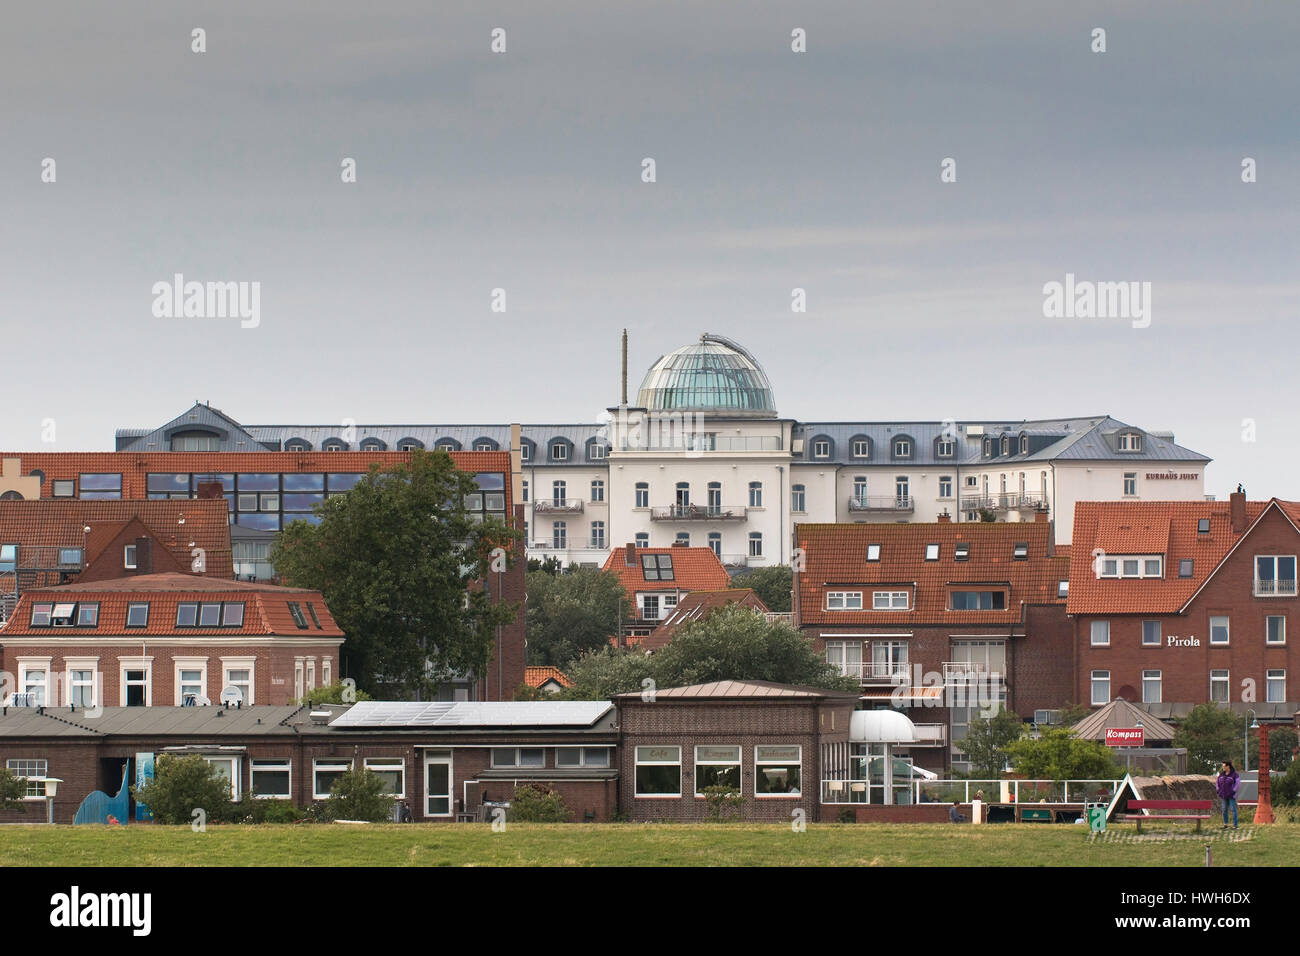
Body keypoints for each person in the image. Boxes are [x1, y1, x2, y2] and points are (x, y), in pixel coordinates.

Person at [1216, 761, 1240, 829]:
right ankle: (1225, 824)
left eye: (1224, 766)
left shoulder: (1234, 775)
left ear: (1228, 766)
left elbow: (1237, 783)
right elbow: (1217, 782)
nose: (1223, 768)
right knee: (1224, 810)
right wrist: (1218, 790)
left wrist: (1233, 791)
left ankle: (1235, 825)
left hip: (1231, 796)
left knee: (1233, 810)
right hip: (1223, 795)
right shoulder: (1221, 774)